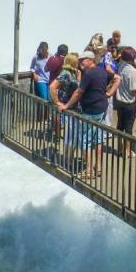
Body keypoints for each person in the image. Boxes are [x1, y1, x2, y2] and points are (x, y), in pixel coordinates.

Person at [57, 50, 121, 179]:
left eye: (83, 59)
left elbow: (78, 93)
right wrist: (110, 93)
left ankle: (89, 170)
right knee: (98, 139)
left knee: (86, 140)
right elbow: (118, 78)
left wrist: (66, 105)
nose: (80, 61)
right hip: (102, 109)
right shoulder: (102, 71)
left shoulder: (89, 74)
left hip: (90, 111)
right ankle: (98, 168)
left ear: (91, 60)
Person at [115, 47, 136, 157]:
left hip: (119, 101)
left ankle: (120, 148)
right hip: (129, 103)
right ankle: (127, 151)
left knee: (120, 126)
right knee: (128, 128)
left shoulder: (120, 66)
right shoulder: (133, 71)